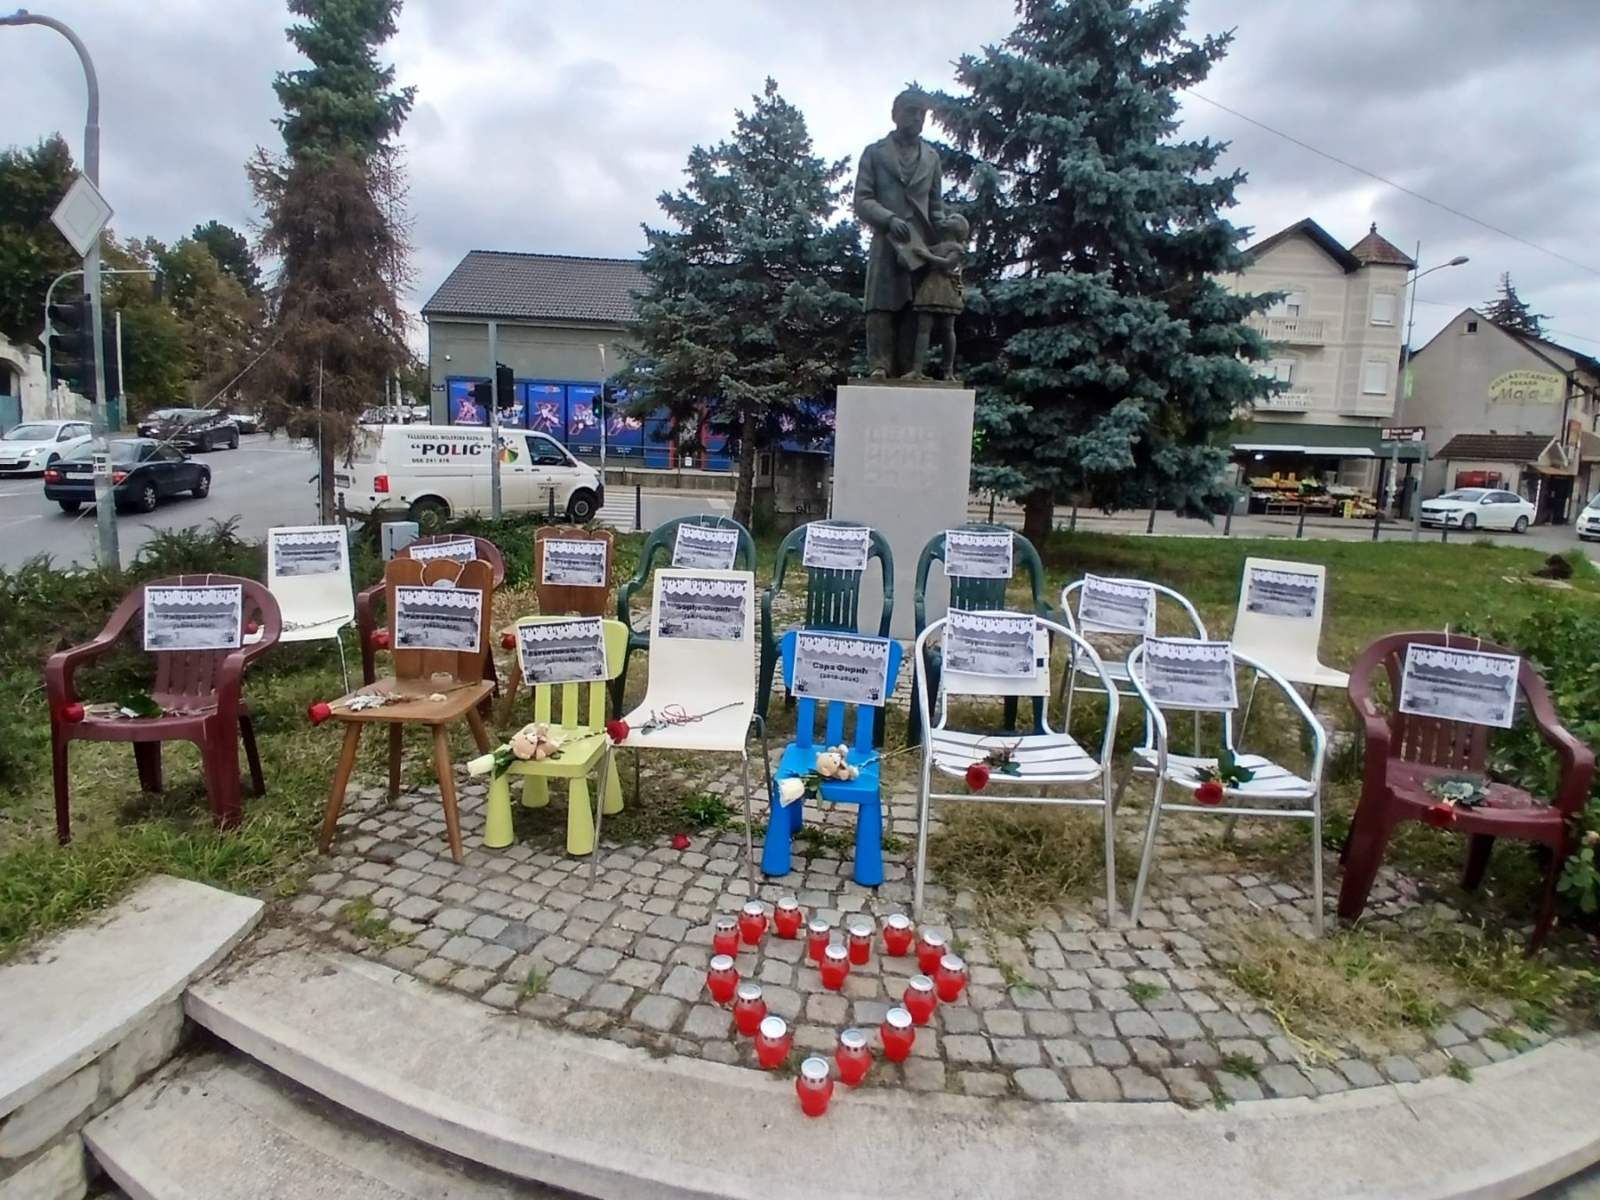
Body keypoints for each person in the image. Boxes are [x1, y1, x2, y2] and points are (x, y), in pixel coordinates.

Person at [853, 89, 945, 378]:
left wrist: (948, 239)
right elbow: (862, 199)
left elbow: (936, 207)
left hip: (920, 247)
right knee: (880, 305)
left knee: (915, 308)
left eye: (922, 113)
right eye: (911, 111)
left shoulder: (932, 157)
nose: (917, 118)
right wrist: (888, 218)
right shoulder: (874, 153)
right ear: (895, 114)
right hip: (886, 242)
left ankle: (909, 368)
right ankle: (879, 365)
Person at [907, 212, 968, 380]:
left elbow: (948, 264)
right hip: (930, 287)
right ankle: (917, 370)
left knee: (947, 329)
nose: (946, 219)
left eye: (952, 218)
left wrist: (927, 256)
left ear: (959, 228)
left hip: (946, 288)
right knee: (923, 329)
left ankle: (948, 370)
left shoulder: (957, 248)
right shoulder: (936, 247)